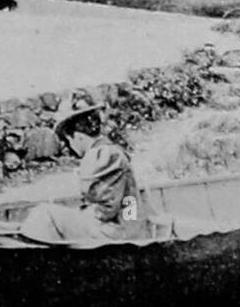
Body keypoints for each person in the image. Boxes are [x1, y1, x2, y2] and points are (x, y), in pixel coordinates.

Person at [17, 104, 149, 245]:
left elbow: (105, 210)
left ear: (78, 137)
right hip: (127, 225)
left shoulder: (100, 154)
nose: (71, 147)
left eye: (69, 141)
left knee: (45, 213)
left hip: (116, 231)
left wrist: (79, 216)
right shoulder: (111, 150)